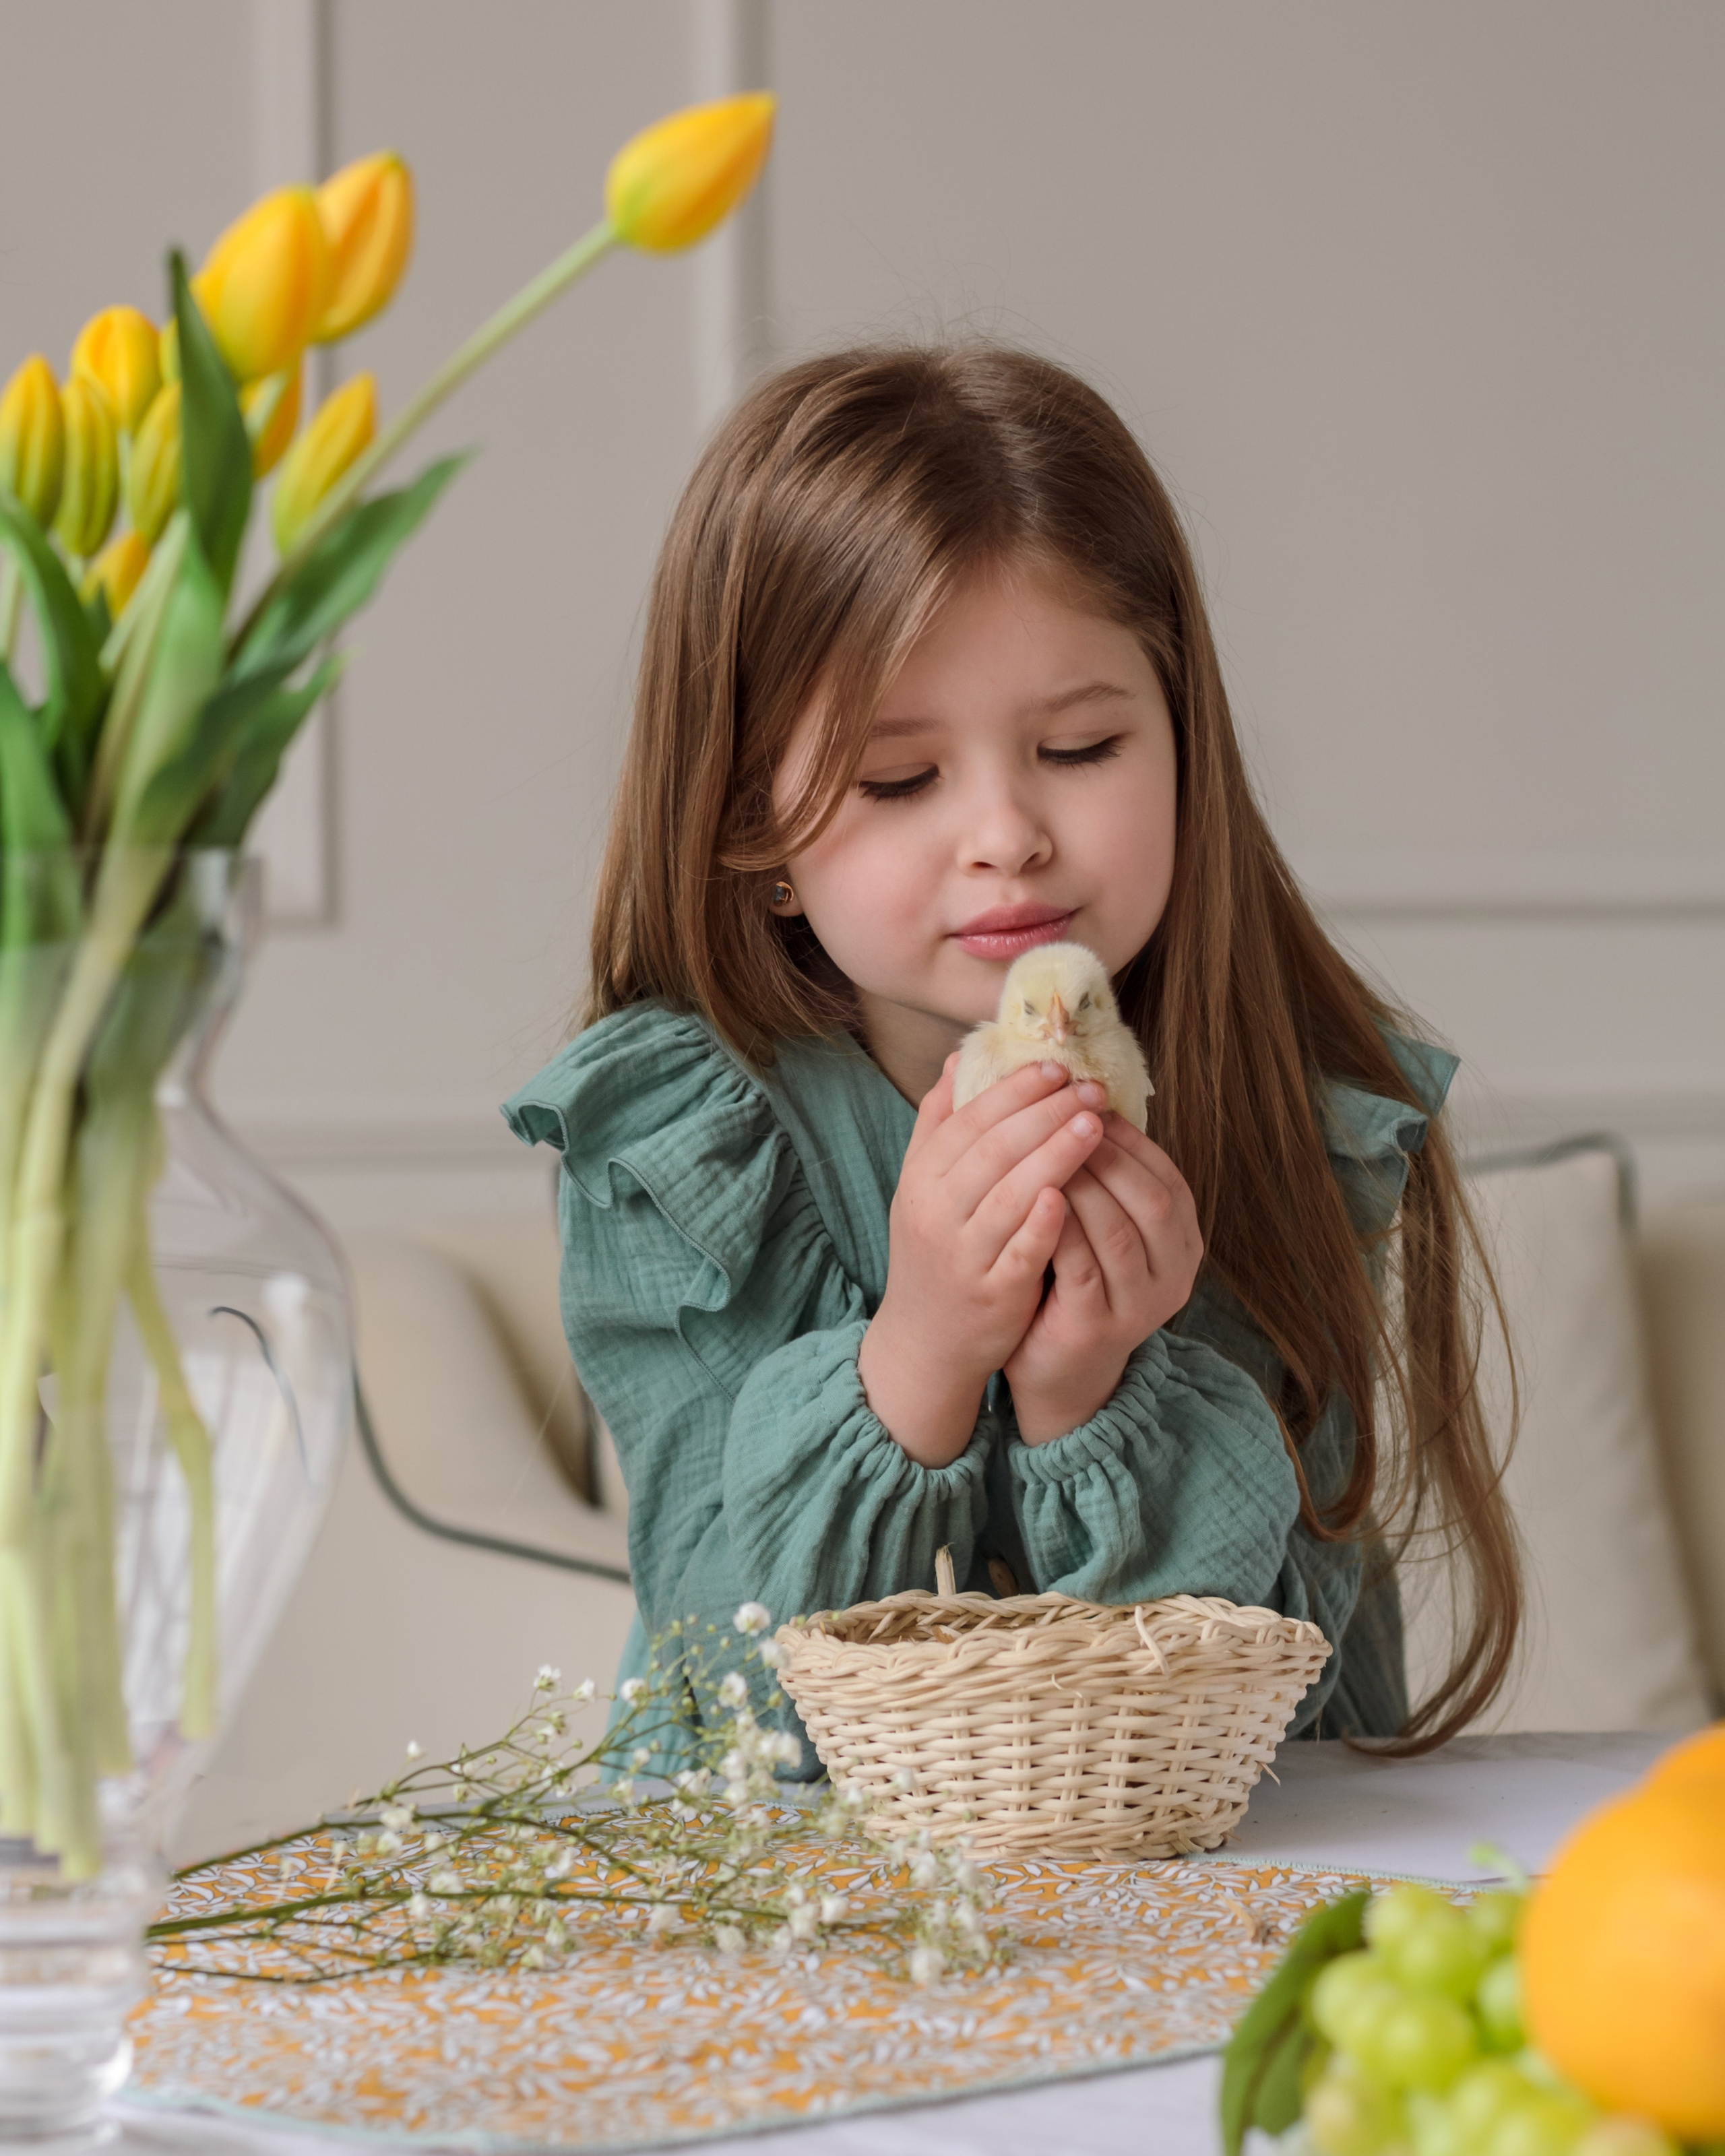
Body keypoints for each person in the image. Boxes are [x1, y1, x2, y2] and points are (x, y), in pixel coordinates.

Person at [503, 344, 1519, 1762]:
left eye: (1083, 746)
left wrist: (1089, 1395)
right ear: (756, 837)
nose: (1005, 834)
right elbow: (735, 1686)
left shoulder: (1285, 1111)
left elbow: (1266, 1695)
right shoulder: (686, 1141)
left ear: (1182, 740)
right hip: (805, 1917)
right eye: (899, 779)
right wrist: (917, 1352)